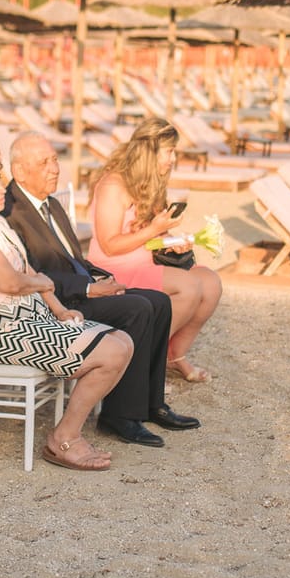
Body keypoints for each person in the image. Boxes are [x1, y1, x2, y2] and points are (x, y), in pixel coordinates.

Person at [0, 141, 134, 472]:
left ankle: (66, 431)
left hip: (27, 318)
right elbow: (11, 283)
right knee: (110, 354)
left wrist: (58, 309)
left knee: (124, 342)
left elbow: (29, 273)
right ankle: (64, 438)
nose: (1, 189)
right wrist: (45, 285)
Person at [2, 132, 200, 447]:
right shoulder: (10, 212)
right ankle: (119, 415)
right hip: (55, 301)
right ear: (20, 171)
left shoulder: (48, 203)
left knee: (160, 302)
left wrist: (102, 279)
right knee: (138, 308)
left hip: (80, 287)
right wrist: (90, 288)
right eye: (45, 163)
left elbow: (72, 258)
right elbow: (32, 271)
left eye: (55, 159)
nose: (55, 168)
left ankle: (151, 404)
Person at [88, 118, 223, 383]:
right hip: (113, 266)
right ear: (150, 152)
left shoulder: (150, 182)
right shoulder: (113, 185)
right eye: (169, 151)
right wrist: (155, 231)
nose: (173, 158)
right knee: (188, 287)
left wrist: (172, 240)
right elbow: (109, 244)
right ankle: (146, 361)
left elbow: (150, 232)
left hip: (145, 259)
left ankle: (175, 355)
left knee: (210, 284)